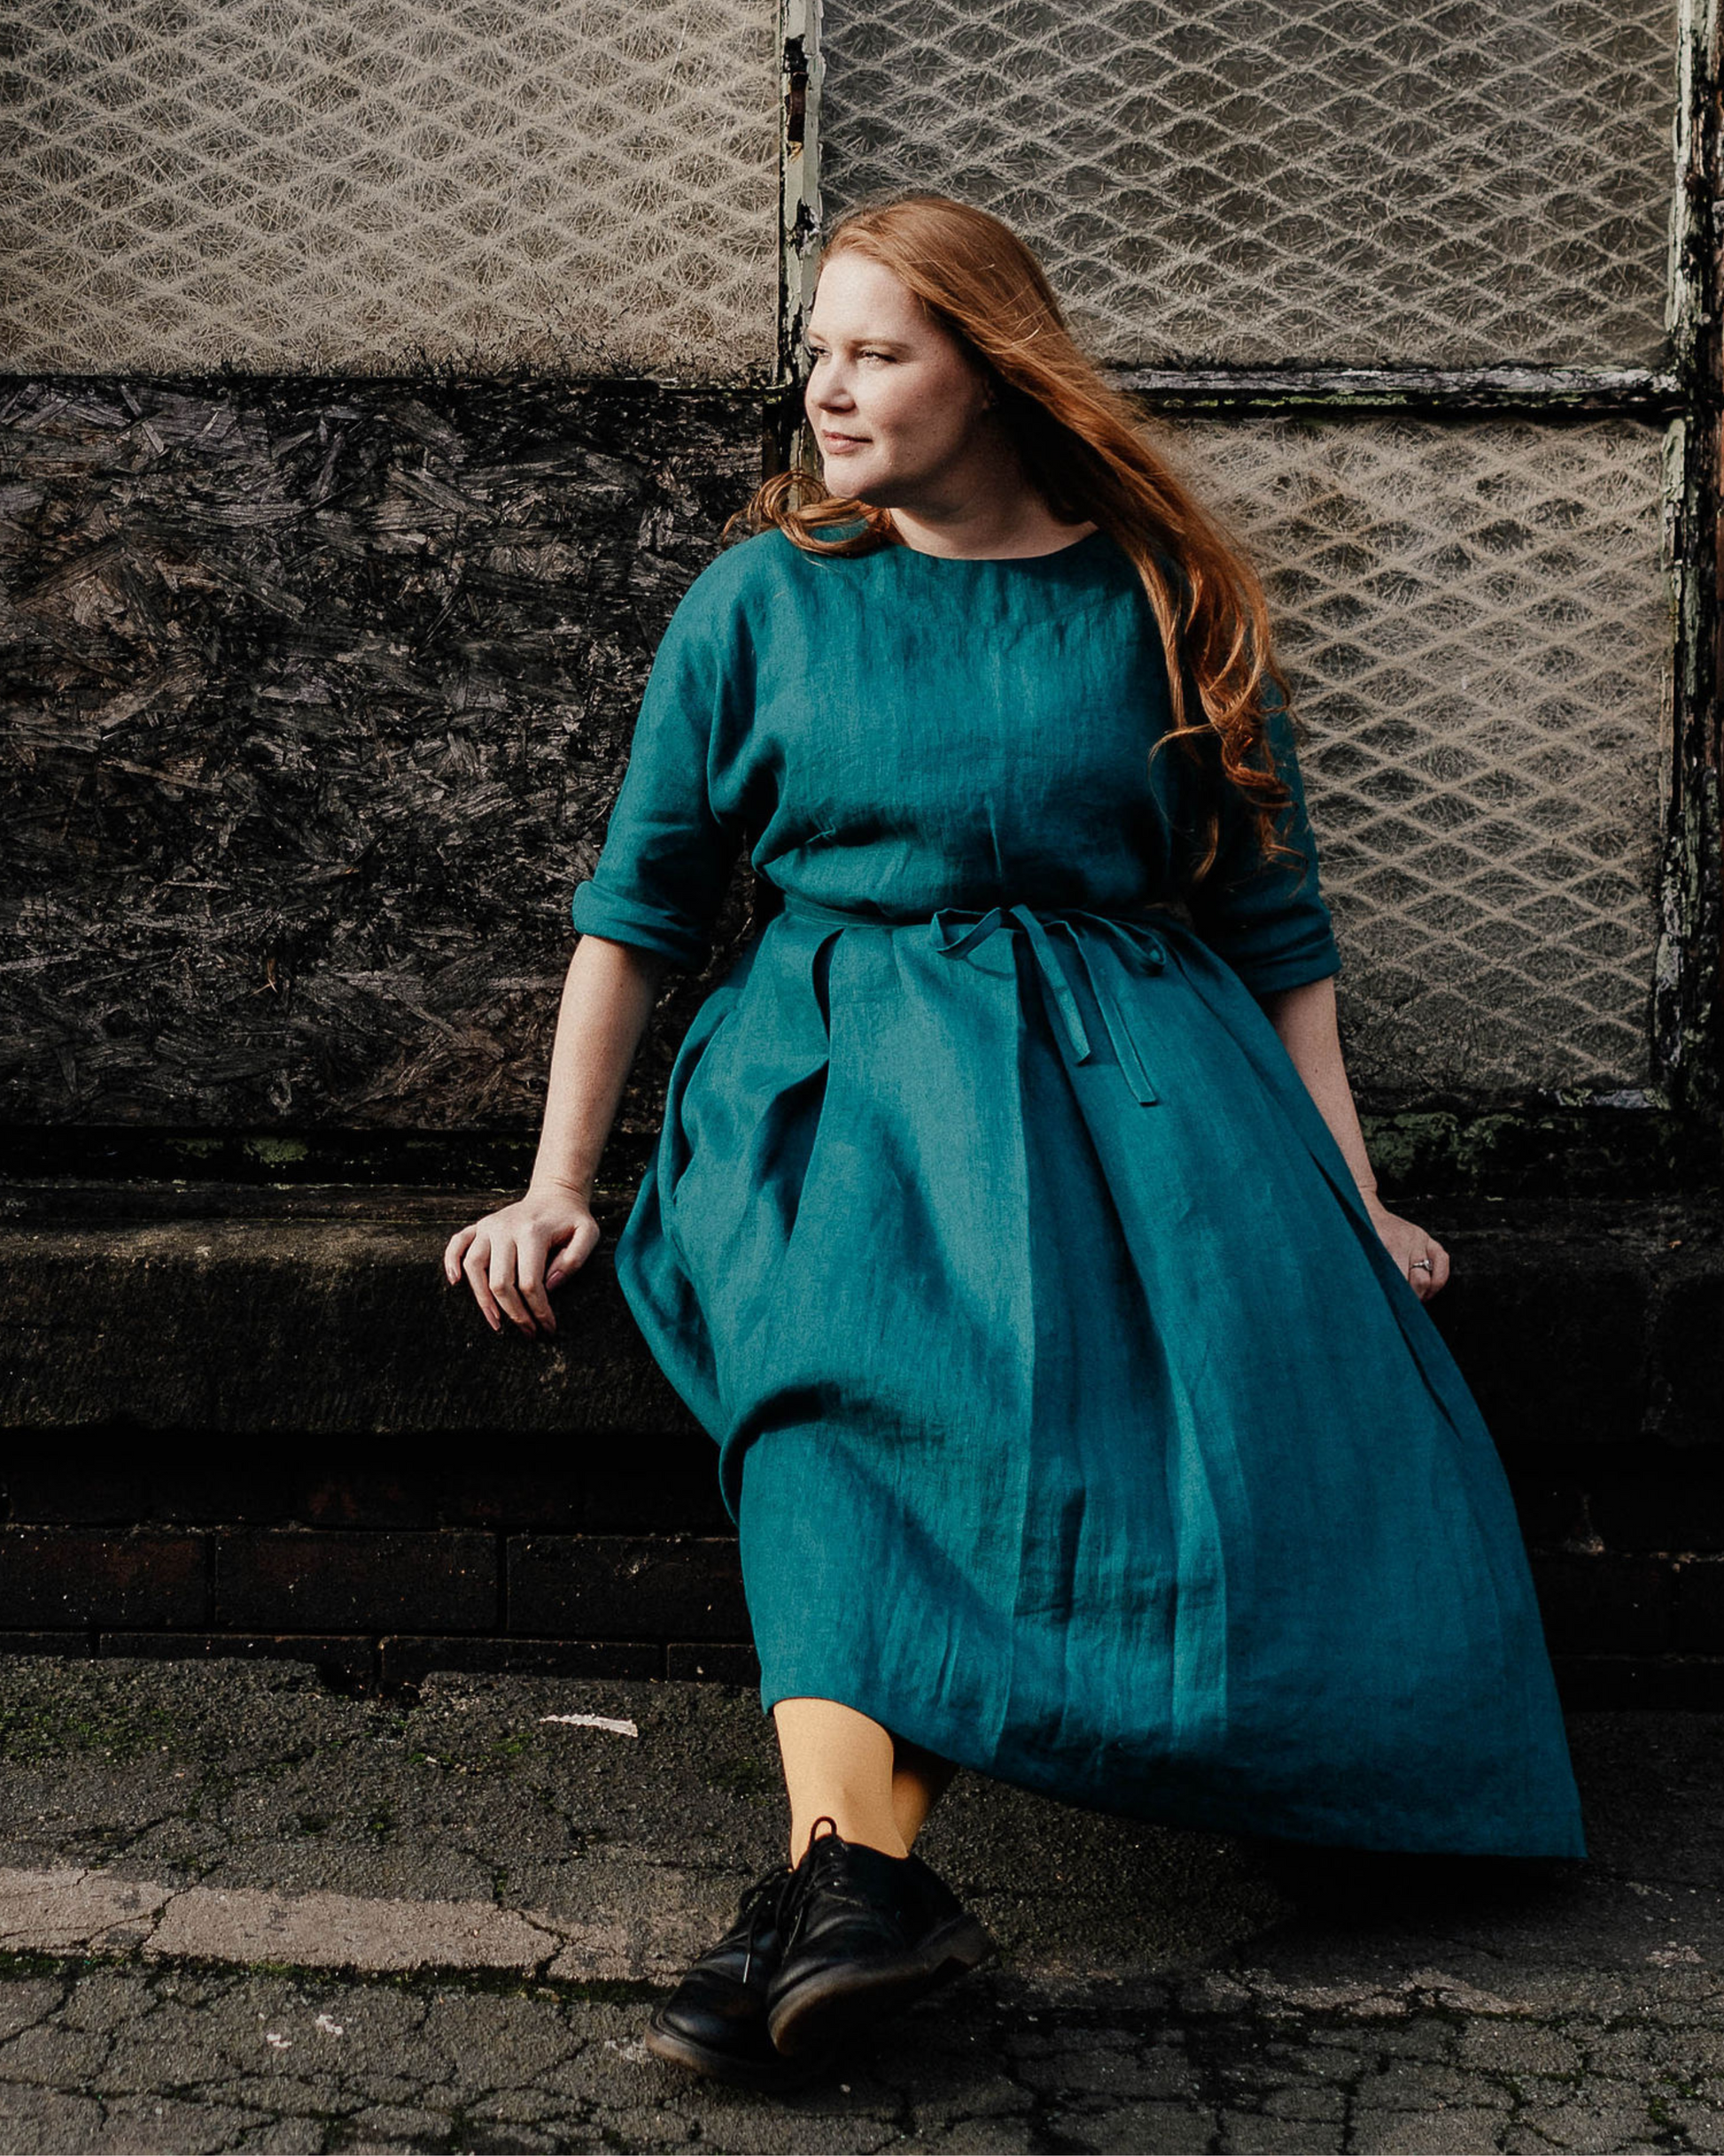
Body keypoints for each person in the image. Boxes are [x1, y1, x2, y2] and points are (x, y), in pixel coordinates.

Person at [443, 191, 1586, 2092]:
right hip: (832, 1085)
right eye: (816, 348)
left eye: (876, 350)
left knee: (1215, 1400)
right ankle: (852, 1886)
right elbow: (633, 911)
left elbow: (1275, 929)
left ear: (991, 365)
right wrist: (558, 1181)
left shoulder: (1154, 592)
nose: (827, 384)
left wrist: (1354, 1194)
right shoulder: (764, 601)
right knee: (830, 1386)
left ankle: (838, 1895)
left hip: (1139, 1086)